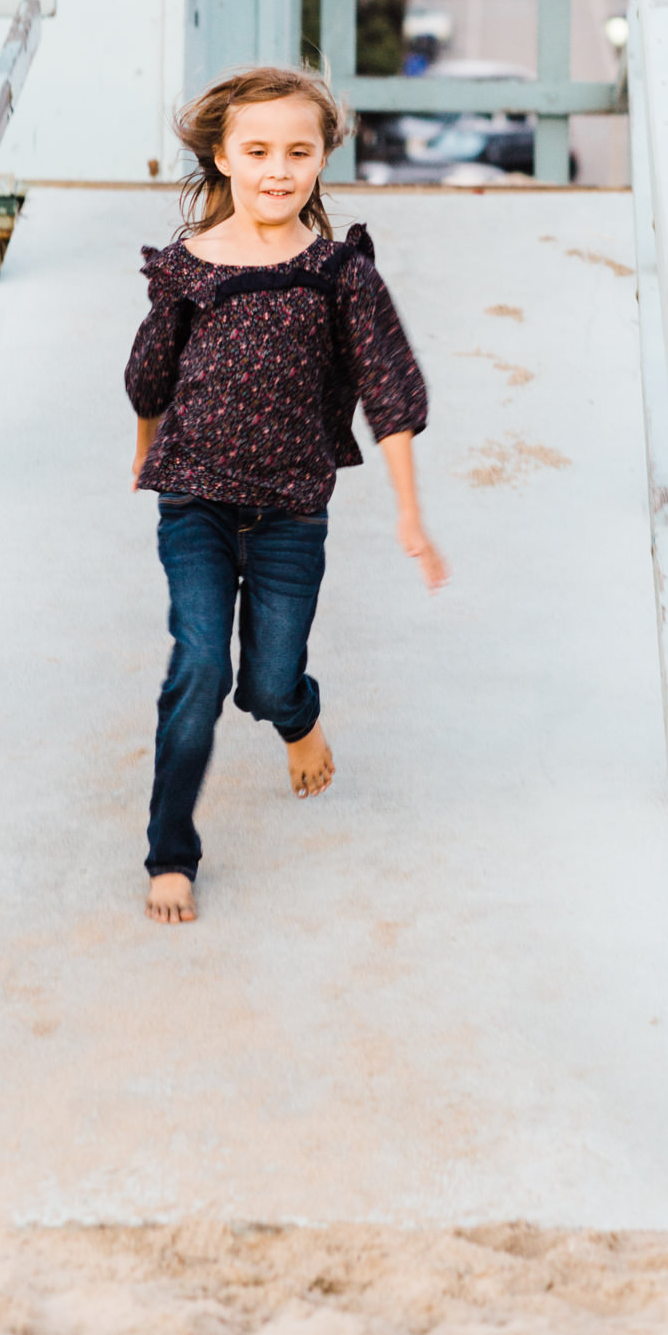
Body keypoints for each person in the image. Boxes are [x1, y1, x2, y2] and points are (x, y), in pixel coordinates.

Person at [125, 64, 446, 925]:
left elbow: (391, 388)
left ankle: (298, 716)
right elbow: (150, 372)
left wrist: (409, 512)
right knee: (200, 664)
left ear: (321, 158)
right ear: (223, 157)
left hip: (291, 513)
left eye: (297, 151)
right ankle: (171, 853)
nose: (277, 168)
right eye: (258, 150)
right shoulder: (191, 268)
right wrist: (147, 449)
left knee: (266, 682)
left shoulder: (339, 274)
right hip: (195, 501)